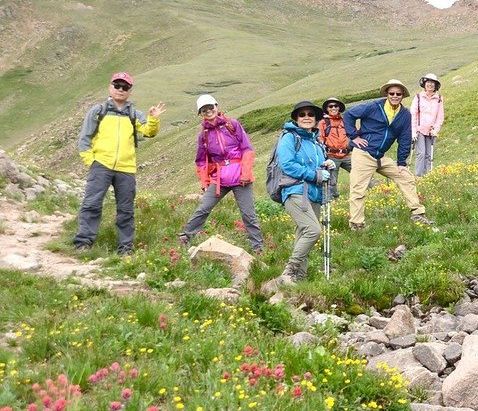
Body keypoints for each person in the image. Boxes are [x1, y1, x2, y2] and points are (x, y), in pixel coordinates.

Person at [73, 72, 165, 255]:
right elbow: (84, 138)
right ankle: (83, 243)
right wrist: (91, 161)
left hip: (126, 169)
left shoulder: (134, 114)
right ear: (110, 87)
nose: (121, 90)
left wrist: (153, 118)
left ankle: (125, 248)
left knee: (126, 210)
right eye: (117, 85)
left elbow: (149, 132)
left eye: (125, 87)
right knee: (92, 204)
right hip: (101, 165)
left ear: (130, 91)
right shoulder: (98, 111)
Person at [177, 95, 263, 253]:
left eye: (210, 107)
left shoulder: (233, 125)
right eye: (204, 110)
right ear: (200, 113)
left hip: (240, 177)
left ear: (216, 106)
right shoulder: (203, 135)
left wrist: (246, 173)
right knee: (203, 208)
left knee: (248, 214)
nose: (208, 111)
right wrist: (205, 182)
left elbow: (247, 149)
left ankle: (258, 248)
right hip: (219, 179)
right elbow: (201, 161)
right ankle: (185, 237)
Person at [343, 79, 432, 230]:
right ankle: (357, 224)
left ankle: (418, 214)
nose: (395, 96)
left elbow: (404, 139)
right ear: (387, 94)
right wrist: (354, 136)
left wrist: (401, 163)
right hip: (363, 154)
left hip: (380, 156)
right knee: (358, 189)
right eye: (392, 93)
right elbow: (349, 115)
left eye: (398, 93)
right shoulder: (373, 106)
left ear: (403, 95)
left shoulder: (404, 114)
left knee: (406, 177)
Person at [270, 101, 335, 284]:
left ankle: (300, 279)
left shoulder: (316, 142)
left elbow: (316, 167)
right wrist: (314, 174)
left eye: (310, 114)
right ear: (296, 119)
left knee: (303, 234)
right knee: (313, 231)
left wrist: (326, 164)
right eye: (302, 114)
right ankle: (290, 269)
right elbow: (288, 164)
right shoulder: (289, 138)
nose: (306, 117)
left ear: (316, 119)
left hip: (314, 194)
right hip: (295, 191)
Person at [410, 73, 445, 177]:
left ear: (435, 85)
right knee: (421, 153)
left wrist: (436, 129)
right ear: (424, 84)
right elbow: (413, 114)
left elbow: (440, 117)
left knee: (429, 154)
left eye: (432, 83)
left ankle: (427, 176)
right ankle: (418, 177)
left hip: (431, 131)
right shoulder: (418, 97)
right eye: (428, 82)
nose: (430, 85)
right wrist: (413, 131)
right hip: (419, 130)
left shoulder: (439, 99)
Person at [318, 97, 351, 200]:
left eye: (336, 106)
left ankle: (373, 192)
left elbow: (352, 134)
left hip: (346, 155)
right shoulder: (323, 122)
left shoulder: (344, 121)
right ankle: (334, 202)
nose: (333, 108)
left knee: (361, 172)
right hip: (331, 156)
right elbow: (320, 139)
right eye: (330, 106)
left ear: (339, 108)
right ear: (327, 109)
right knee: (332, 181)